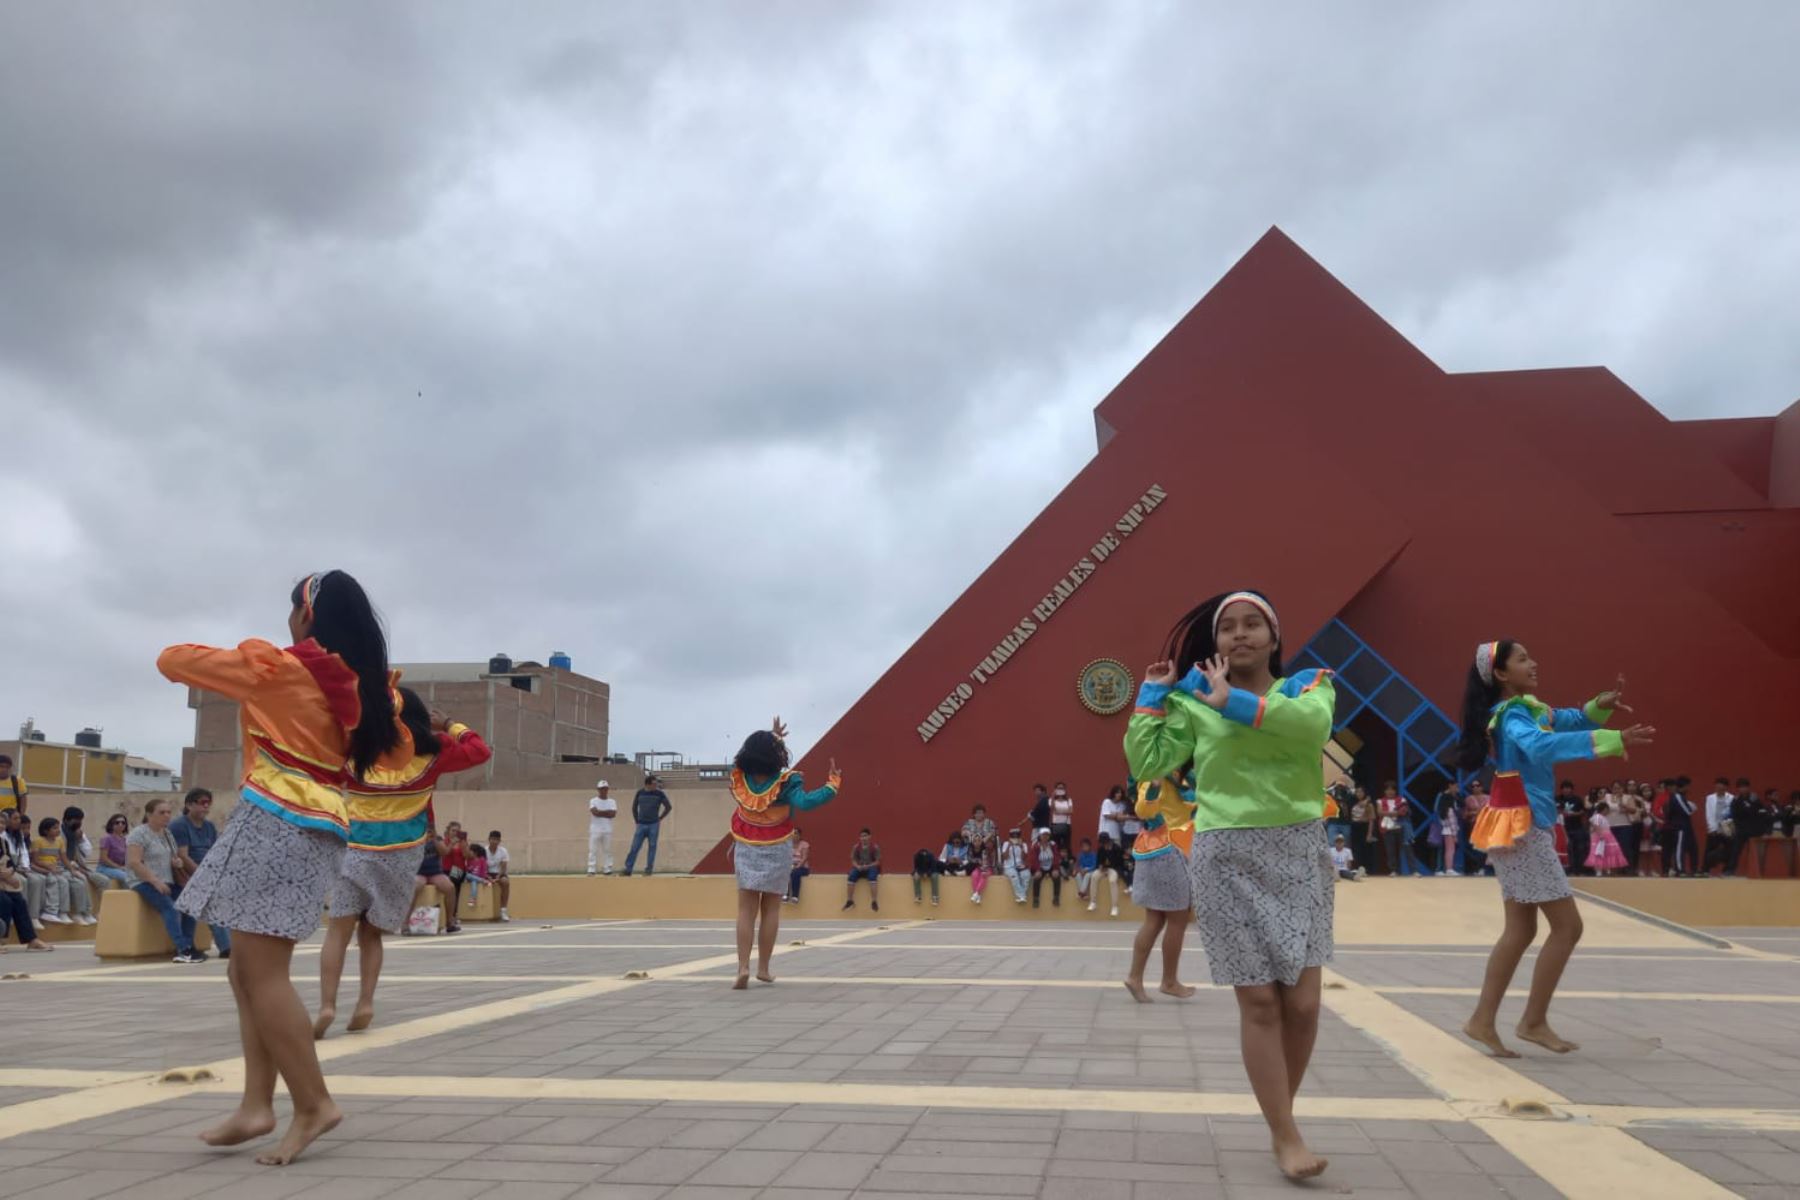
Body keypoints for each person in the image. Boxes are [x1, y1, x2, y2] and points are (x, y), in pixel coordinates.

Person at [155, 569, 408, 1165]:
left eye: (293, 607)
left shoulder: (282, 669)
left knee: (262, 974)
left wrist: (244, 657)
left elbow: (174, 658)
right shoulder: (368, 690)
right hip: (312, 826)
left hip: (276, 821)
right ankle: (255, 1105)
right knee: (244, 971)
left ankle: (312, 1103)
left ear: (307, 616)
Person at [1127, 589, 1337, 1182]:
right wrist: (1153, 694)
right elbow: (1147, 765)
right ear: (1215, 642)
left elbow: (1309, 728)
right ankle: (1286, 1134)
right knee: (1262, 1002)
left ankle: (1281, 1121)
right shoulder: (1194, 701)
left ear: (1273, 636)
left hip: (1299, 848)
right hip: (1225, 853)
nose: (1239, 636)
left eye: (1252, 625)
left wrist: (1236, 703)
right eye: (1227, 629)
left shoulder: (1308, 685)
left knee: (1304, 1002)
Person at [1457, 641, 1650, 1061]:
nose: (1534, 662)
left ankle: (1483, 1020)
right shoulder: (1512, 716)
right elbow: (1542, 747)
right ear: (1502, 674)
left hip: (1520, 823)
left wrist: (1601, 704)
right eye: (1523, 658)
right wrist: (1612, 740)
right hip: (1523, 826)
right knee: (1567, 927)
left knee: (1521, 930)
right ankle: (1531, 1021)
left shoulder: (1530, 710)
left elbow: (1570, 719)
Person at [317, 689, 491, 1038]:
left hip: (357, 849)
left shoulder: (355, 749)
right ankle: (365, 1002)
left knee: (338, 930)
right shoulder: (433, 753)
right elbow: (480, 751)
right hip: (401, 854)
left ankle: (327, 1005)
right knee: (371, 934)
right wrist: (450, 725)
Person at [727, 719, 839, 987]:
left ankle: (742, 967)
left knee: (745, 910)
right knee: (771, 909)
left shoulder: (741, 777)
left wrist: (774, 737)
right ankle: (763, 968)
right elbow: (807, 802)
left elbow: (751, 758)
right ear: (776, 755)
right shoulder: (787, 782)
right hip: (777, 845)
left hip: (746, 844)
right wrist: (832, 783)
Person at [1123, 772, 1199, 1001]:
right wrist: (1155, 787)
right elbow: (1143, 810)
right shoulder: (1159, 771)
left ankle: (1136, 978)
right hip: (1169, 849)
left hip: (1164, 848)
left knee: (1155, 919)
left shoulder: (1175, 772)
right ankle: (1168, 980)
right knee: (1177, 918)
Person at [127, 797, 202, 961]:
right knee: (169, 907)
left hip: (168, 879)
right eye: (162, 812)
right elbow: (134, 862)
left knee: (189, 905)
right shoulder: (138, 834)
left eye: (168, 812)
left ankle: (189, 945)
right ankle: (183, 949)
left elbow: (172, 856)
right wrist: (155, 881)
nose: (167, 816)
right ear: (149, 814)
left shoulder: (167, 833)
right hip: (143, 881)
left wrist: (177, 862)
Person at [171, 789, 231, 956]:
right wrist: (202, 876)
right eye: (202, 803)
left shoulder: (209, 827)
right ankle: (226, 947)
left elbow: (215, 852)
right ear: (189, 805)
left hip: (207, 874)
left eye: (208, 803)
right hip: (186, 875)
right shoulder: (180, 826)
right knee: (209, 901)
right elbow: (182, 855)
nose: (206, 807)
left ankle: (229, 945)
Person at [0, 820, 51, 951]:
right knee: (4, 901)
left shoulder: (3, 842)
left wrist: (10, 876)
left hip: (3, 881)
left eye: (3, 823)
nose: (2, 826)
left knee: (19, 900)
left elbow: (11, 864)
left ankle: (31, 939)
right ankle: (1, 940)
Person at [32, 816, 93, 925]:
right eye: (54, 828)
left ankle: (85, 912)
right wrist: (48, 866)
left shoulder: (59, 841)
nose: (58, 830)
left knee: (81, 880)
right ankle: (59, 912)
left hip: (58, 868)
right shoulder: (38, 841)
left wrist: (72, 870)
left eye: (58, 828)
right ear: (46, 830)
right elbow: (35, 860)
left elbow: (64, 858)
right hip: (45, 869)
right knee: (63, 882)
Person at [57, 807, 102, 922]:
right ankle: (83, 913)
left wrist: (80, 839)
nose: (78, 823)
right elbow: (59, 856)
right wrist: (73, 866)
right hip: (65, 867)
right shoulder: (58, 832)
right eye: (75, 820)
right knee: (82, 881)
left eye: (80, 820)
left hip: (81, 867)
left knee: (104, 881)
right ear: (66, 820)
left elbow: (88, 852)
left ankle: (100, 911)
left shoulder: (79, 833)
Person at [622, 775, 672, 876]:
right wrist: (637, 820)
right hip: (641, 824)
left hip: (654, 824)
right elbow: (634, 807)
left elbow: (668, 807)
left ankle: (648, 870)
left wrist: (660, 818)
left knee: (652, 847)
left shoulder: (660, 794)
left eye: (656, 784)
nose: (656, 785)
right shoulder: (640, 793)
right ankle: (628, 869)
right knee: (635, 847)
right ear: (647, 784)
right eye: (654, 784)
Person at [412, 825, 455, 931]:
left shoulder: (438, 839)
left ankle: (449, 921)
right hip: (419, 872)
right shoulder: (414, 838)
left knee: (450, 888)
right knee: (415, 887)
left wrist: (434, 838)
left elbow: (444, 852)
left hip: (435, 872)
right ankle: (405, 921)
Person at [1660, 777, 1697, 876]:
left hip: (1682, 826)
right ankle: (1680, 869)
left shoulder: (1679, 796)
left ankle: (1685, 869)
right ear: (1684, 786)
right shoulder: (1678, 797)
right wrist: (1692, 807)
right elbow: (1687, 811)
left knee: (1687, 847)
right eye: (1688, 786)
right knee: (1679, 848)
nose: (1689, 789)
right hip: (1680, 826)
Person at [1377, 783, 1416, 877]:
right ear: (1384, 791)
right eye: (1388, 790)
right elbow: (1379, 813)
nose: (1390, 792)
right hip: (1388, 828)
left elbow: (1404, 812)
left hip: (1401, 828)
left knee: (1408, 849)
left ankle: (1413, 871)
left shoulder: (1402, 799)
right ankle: (1393, 870)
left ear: (1395, 791)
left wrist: (1388, 813)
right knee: (1390, 850)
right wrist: (1395, 813)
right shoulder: (1380, 801)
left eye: (1392, 790)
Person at [1703, 776, 1736, 876]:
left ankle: (1727, 870)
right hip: (1714, 826)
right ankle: (1705, 870)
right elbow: (1708, 813)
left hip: (1727, 826)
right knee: (1709, 849)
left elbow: (1732, 813)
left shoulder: (1731, 798)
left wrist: (1728, 829)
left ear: (1726, 788)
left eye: (1721, 787)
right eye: (1717, 787)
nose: (1719, 789)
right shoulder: (1710, 798)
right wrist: (1712, 827)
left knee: (1730, 849)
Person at [844, 826, 880, 911]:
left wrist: (868, 866)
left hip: (870, 867)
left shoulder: (875, 847)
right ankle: (850, 900)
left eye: (865, 836)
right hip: (859, 867)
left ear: (869, 836)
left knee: (872, 878)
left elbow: (877, 862)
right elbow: (853, 860)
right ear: (859, 837)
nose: (863, 838)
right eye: (862, 836)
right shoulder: (856, 847)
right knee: (851, 877)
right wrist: (857, 866)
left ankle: (874, 901)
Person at [1586, 803, 1627, 876]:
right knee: (1598, 853)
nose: (1608, 812)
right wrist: (1600, 835)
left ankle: (1606, 869)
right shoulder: (1597, 816)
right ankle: (1598, 871)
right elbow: (1596, 826)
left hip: (1607, 837)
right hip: (1600, 838)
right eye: (1607, 810)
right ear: (1604, 809)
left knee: (1607, 853)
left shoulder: (1603, 817)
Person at [1557, 782, 1589, 875]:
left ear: (1571, 789)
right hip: (1563, 828)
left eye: (1568, 788)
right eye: (1564, 788)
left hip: (1577, 828)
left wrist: (1574, 814)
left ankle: (1579, 870)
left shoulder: (1577, 799)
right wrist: (1562, 813)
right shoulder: (1557, 799)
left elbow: (1583, 811)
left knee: (1579, 849)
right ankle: (1568, 870)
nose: (1566, 790)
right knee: (1566, 850)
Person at [587, 781, 617, 876]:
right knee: (593, 850)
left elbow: (613, 814)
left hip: (607, 830)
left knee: (607, 850)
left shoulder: (612, 801)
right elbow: (595, 812)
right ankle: (591, 869)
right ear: (598, 790)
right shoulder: (593, 801)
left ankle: (607, 869)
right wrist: (607, 813)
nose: (603, 790)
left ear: (607, 789)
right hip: (595, 830)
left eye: (605, 788)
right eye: (601, 789)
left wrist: (601, 812)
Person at [1090, 832, 1123, 916]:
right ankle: (1093, 902)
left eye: (1104, 843)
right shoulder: (1101, 849)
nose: (1103, 844)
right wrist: (1101, 866)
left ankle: (1114, 906)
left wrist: (1108, 866)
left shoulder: (1116, 848)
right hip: (1103, 869)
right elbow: (1098, 862)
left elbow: (1119, 862)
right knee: (1094, 876)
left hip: (1114, 869)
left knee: (1112, 881)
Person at [95, 813, 133, 888]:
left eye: (123, 822)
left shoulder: (125, 840)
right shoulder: (106, 839)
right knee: (126, 877)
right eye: (117, 822)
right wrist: (119, 867)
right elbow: (104, 858)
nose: (120, 824)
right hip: (105, 868)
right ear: (111, 824)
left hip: (120, 868)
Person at [1028, 828, 1063, 908]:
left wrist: (1055, 868)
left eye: (1047, 835)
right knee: (1037, 878)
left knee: (1056, 876)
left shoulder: (1053, 845)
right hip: (1039, 866)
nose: (1045, 837)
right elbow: (1033, 859)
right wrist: (1038, 870)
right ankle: (1035, 899)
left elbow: (1056, 857)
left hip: (1051, 866)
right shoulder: (1035, 846)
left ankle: (1056, 898)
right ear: (1040, 836)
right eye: (1043, 835)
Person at [998, 826, 1030, 903]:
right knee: (1014, 877)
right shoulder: (1006, 844)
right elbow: (1005, 857)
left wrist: (1021, 847)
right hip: (1009, 867)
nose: (1015, 837)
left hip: (1020, 865)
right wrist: (1009, 845)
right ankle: (1022, 896)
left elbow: (1024, 858)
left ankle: (1022, 896)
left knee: (1026, 875)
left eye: (1017, 835)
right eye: (1013, 835)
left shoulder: (1024, 844)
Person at [485, 831, 512, 920]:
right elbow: (482, 866)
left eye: (497, 840)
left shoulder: (503, 851)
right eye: (493, 839)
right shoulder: (484, 851)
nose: (494, 841)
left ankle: (503, 910)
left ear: (499, 841)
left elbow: (503, 867)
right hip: (486, 873)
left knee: (505, 882)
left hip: (499, 873)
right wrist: (487, 877)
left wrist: (498, 877)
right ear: (489, 839)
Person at [784, 827, 811, 904]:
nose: (794, 835)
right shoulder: (787, 844)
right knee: (785, 872)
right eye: (792, 833)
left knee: (795, 873)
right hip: (789, 866)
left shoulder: (804, 844)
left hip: (802, 867)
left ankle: (795, 896)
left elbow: (805, 857)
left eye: (796, 833)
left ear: (799, 835)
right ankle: (785, 895)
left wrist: (798, 865)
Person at [1049, 782, 1075, 852]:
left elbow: (1070, 811)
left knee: (1066, 844)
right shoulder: (1052, 800)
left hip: (1066, 824)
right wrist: (1053, 796)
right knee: (1055, 845)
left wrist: (1059, 812)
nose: (1060, 790)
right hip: (1055, 825)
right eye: (1058, 788)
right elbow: (1052, 809)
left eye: (1062, 788)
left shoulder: (1069, 800)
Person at [1074, 838, 1098, 904]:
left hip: (1091, 870)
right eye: (1083, 846)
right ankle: (1084, 894)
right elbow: (1078, 864)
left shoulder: (1093, 855)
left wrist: (1087, 870)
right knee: (1078, 876)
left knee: (1087, 875)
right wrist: (1080, 870)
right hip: (1083, 869)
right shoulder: (1080, 855)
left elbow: (1094, 865)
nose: (1085, 848)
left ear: (1090, 846)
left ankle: (1081, 892)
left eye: (1086, 846)